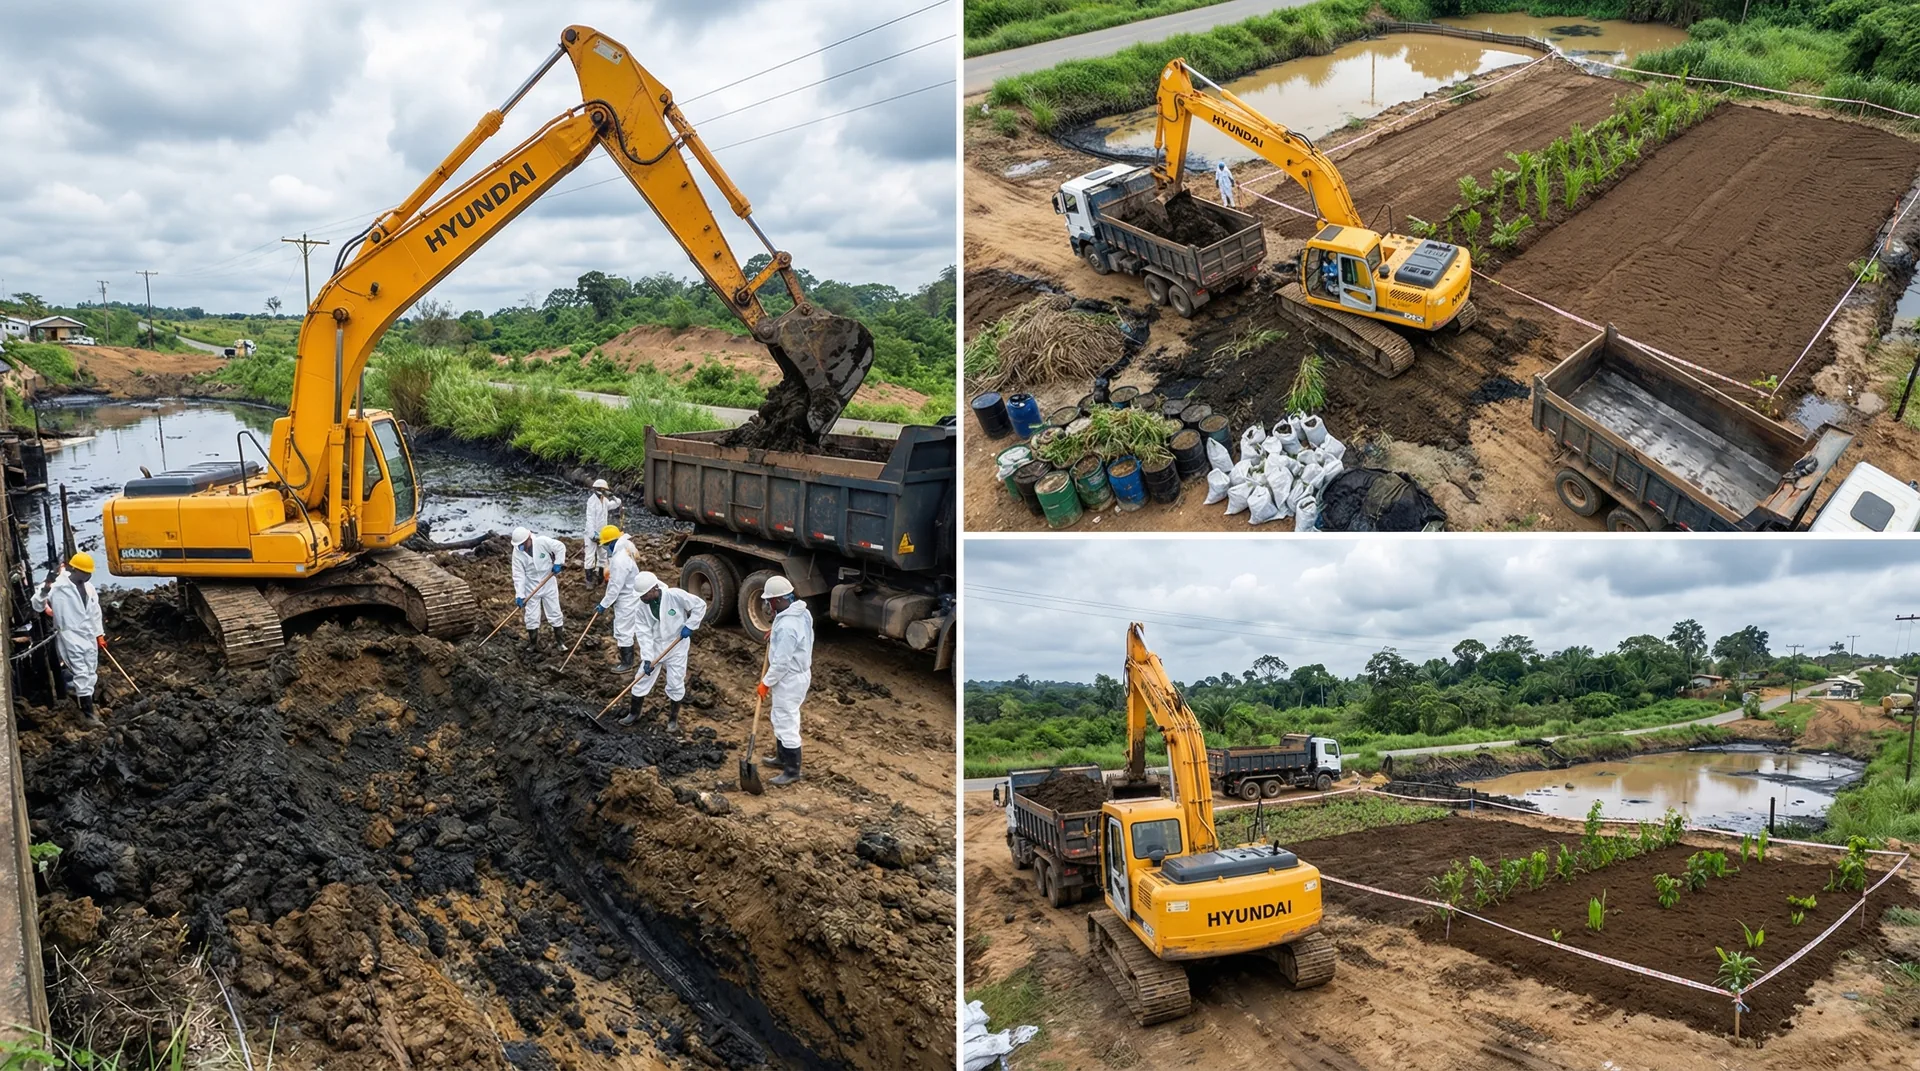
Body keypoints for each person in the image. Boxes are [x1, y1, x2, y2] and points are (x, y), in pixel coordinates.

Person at [621, 573, 706, 732]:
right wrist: (647, 658)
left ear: (654, 589)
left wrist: (690, 625)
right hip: (655, 646)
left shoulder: (674, 595)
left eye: (644, 595)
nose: (642, 598)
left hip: (677, 645)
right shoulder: (641, 608)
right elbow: (643, 633)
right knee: (641, 678)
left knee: (675, 682)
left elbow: (699, 605)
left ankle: (672, 720)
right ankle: (634, 713)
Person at [33, 552, 106, 722]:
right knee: (80, 671)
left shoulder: (89, 588)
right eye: (86, 572)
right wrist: (45, 589)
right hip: (70, 634)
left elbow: (95, 613)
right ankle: (88, 714)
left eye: (90, 573)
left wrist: (99, 634)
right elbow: (37, 605)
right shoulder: (57, 587)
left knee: (90, 670)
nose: (89, 576)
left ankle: (86, 702)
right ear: (76, 570)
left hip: (87, 635)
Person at [756, 575, 813, 786]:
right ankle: (781, 758)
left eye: (770, 601)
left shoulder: (788, 627)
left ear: (779, 600)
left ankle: (791, 771)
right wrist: (776, 632)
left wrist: (765, 683)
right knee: (779, 716)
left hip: (789, 678)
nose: (768, 605)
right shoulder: (800, 612)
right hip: (795, 675)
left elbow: (780, 663)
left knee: (786, 720)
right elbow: (798, 635)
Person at [594, 524, 645, 671]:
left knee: (624, 630)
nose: (605, 548)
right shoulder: (624, 550)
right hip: (630, 595)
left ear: (612, 542)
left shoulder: (620, 560)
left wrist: (604, 604)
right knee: (629, 628)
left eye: (606, 545)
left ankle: (627, 663)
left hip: (627, 599)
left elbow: (615, 586)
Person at [510, 526, 566, 651]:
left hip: (548, 582)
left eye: (523, 544)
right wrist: (519, 594)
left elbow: (560, 547)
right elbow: (518, 574)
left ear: (529, 538)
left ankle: (560, 642)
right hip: (531, 587)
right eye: (520, 545)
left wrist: (558, 562)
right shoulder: (517, 553)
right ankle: (533, 644)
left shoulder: (542, 542)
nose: (521, 547)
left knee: (554, 612)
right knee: (531, 616)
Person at [582, 479, 622, 586]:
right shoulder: (591, 502)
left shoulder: (604, 501)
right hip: (592, 534)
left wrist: (613, 497)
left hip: (603, 534)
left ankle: (600, 577)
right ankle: (589, 581)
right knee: (590, 557)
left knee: (603, 556)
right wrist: (592, 535)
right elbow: (589, 519)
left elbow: (617, 503)